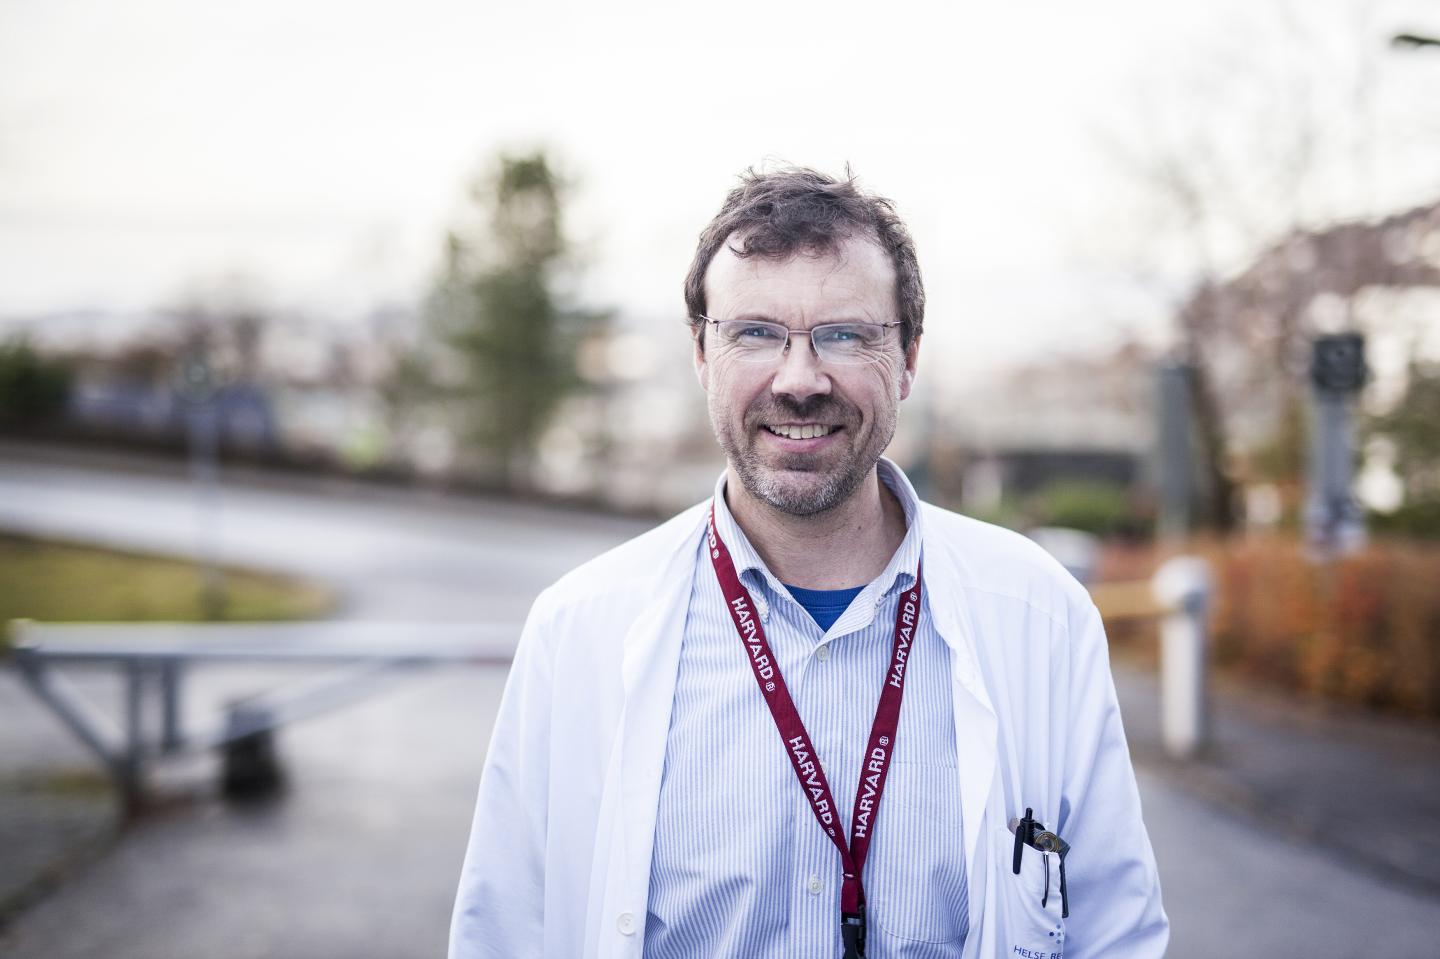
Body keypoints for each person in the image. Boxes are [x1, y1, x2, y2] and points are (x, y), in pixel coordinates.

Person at [449, 167, 1168, 959]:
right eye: (755, 332)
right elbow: (506, 934)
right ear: (701, 353)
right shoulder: (579, 628)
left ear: (909, 359)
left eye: (846, 334)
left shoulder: (1041, 616)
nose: (800, 380)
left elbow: (1115, 935)